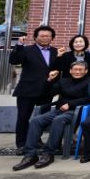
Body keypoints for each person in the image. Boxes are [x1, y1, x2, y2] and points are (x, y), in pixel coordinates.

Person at [12, 61, 90, 171]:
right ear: (70, 71)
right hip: (59, 110)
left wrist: (70, 104)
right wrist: (49, 80)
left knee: (58, 120)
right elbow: (48, 93)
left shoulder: (89, 82)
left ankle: (49, 153)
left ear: (86, 71)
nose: (77, 72)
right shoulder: (64, 81)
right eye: (75, 69)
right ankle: (30, 155)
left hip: (75, 112)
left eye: (80, 70)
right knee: (36, 120)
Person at [9, 26, 58, 155]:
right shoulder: (26, 50)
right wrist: (19, 45)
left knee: (42, 118)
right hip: (27, 90)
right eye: (42, 36)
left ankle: (36, 140)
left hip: (46, 90)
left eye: (48, 36)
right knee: (23, 117)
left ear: (52, 38)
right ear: (36, 37)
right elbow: (14, 60)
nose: (45, 38)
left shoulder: (55, 51)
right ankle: (21, 144)